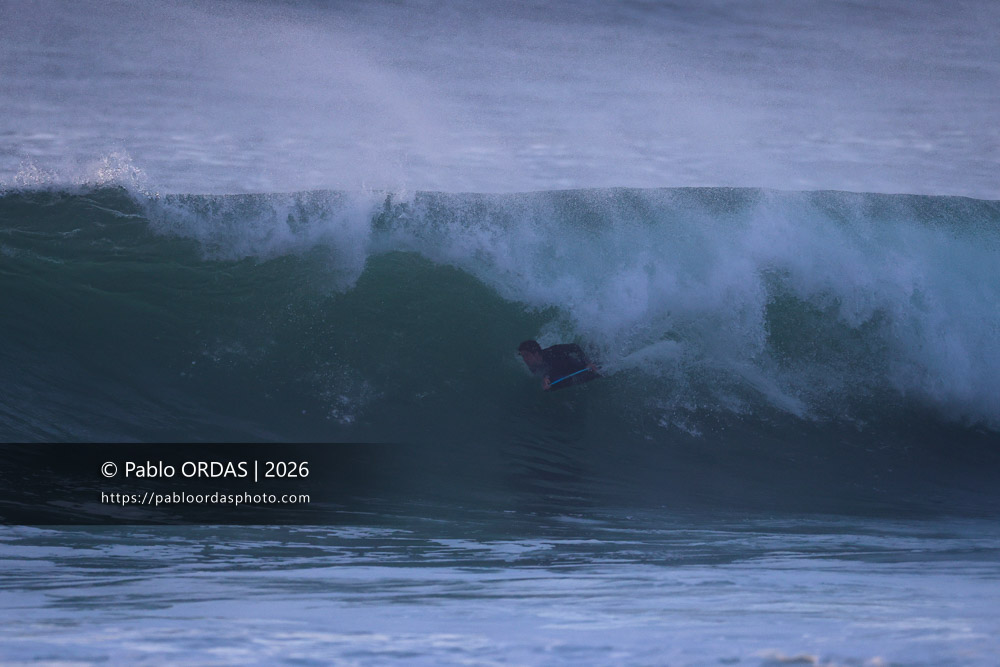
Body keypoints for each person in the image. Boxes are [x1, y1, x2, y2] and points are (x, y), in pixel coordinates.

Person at [518, 340, 599, 391]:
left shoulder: (553, 351)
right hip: (562, 372)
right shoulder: (532, 366)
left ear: (535, 354)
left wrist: (588, 362)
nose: (525, 359)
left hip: (574, 364)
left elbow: (575, 347)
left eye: (526, 355)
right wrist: (545, 378)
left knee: (595, 370)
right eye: (523, 356)